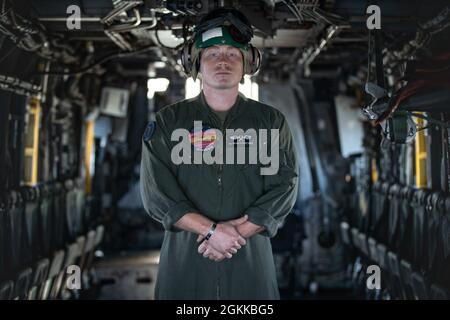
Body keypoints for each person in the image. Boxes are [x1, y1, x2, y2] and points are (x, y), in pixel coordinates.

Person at [140, 8, 299, 299]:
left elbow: (284, 187)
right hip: (184, 269)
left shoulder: (270, 122)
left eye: (233, 53)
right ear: (196, 63)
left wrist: (234, 234)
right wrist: (214, 232)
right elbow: (157, 195)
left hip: (251, 270)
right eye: (212, 53)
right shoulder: (168, 122)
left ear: (248, 63)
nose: (223, 61)